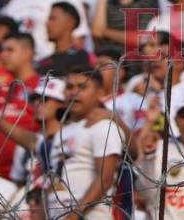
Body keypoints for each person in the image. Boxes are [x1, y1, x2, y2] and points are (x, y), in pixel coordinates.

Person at [46, 68, 125, 219]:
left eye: (82, 87)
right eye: (69, 87)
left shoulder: (103, 126)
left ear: (100, 93)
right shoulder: (63, 131)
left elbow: (105, 178)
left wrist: (76, 215)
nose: (73, 92)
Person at [137, 86, 184, 219]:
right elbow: (144, 194)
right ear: (176, 120)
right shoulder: (160, 149)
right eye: (183, 116)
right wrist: (148, 153)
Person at [38, 2, 92, 76]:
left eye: (52, 18)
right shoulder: (42, 62)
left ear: (70, 22)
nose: (47, 23)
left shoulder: (80, 56)